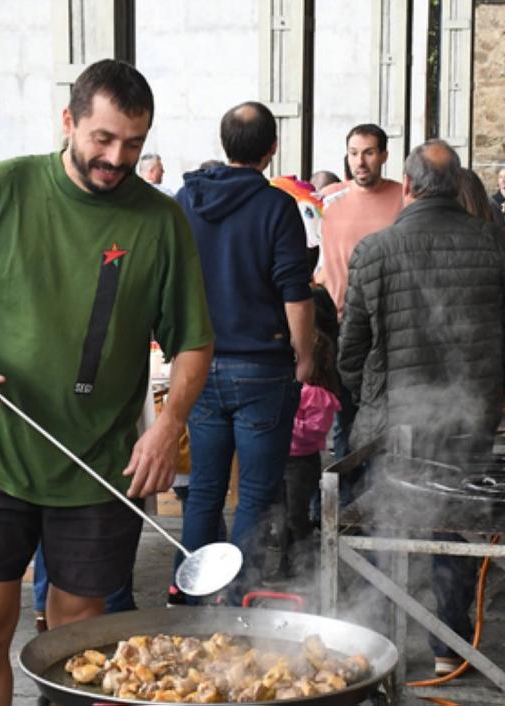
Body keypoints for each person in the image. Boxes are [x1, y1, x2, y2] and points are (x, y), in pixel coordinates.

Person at [0, 59, 214, 706]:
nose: (116, 158)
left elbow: (192, 341)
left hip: (96, 464)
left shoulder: (159, 221)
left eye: (132, 144)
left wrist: (171, 423)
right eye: (102, 138)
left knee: (78, 641)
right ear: (68, 121)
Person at [338, 139, 505, 677]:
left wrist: (370, 395)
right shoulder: (490, 241)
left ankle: (374, 649)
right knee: (453, 523)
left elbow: (350, 345)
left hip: (393, 420)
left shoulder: (374, 250)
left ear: (406, 186)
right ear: (456, 187)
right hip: (468, 414)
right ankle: (448, 646)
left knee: (385, 525)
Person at [174, 101, 316, 602]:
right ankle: (236, 598)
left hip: (198, 365)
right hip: (262, 369)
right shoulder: (277, 207)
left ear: (223, 142)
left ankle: (189, 592)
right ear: (272, 148)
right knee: (254, 492)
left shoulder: (186, 200)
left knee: (205, 489)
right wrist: (304, 357)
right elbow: (294, 293)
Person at [317, 124, 404, 466]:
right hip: (340, 325)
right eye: (354, 153)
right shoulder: (327, 201)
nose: (361, 161)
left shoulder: (403, 198)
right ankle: (344, 503)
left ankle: (383, 495)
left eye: (369, 152)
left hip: (390, 326)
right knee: (345, 417)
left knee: (389, 415)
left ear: (384, 155)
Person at [277, 327, 341, 579]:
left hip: (301, 463)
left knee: (296, 516)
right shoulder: (294, 388)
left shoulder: (317, 395)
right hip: (282, 459)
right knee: (281, 516)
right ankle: (286, 564)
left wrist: (283, 419)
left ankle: (309, 561)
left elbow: (312, 432)